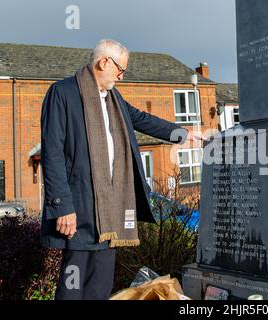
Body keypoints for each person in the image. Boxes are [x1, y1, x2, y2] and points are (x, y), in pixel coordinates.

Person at [40, 39, 193, 300]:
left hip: (110, 213)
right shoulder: (63, 93)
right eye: (120, 69)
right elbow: (52, 153)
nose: (121, 76)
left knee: (100, 288)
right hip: (78, 211)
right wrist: (62, 207)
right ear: (103, 62)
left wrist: (184, 133)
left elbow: (142, 119)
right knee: (72, 286)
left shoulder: (113, 98)